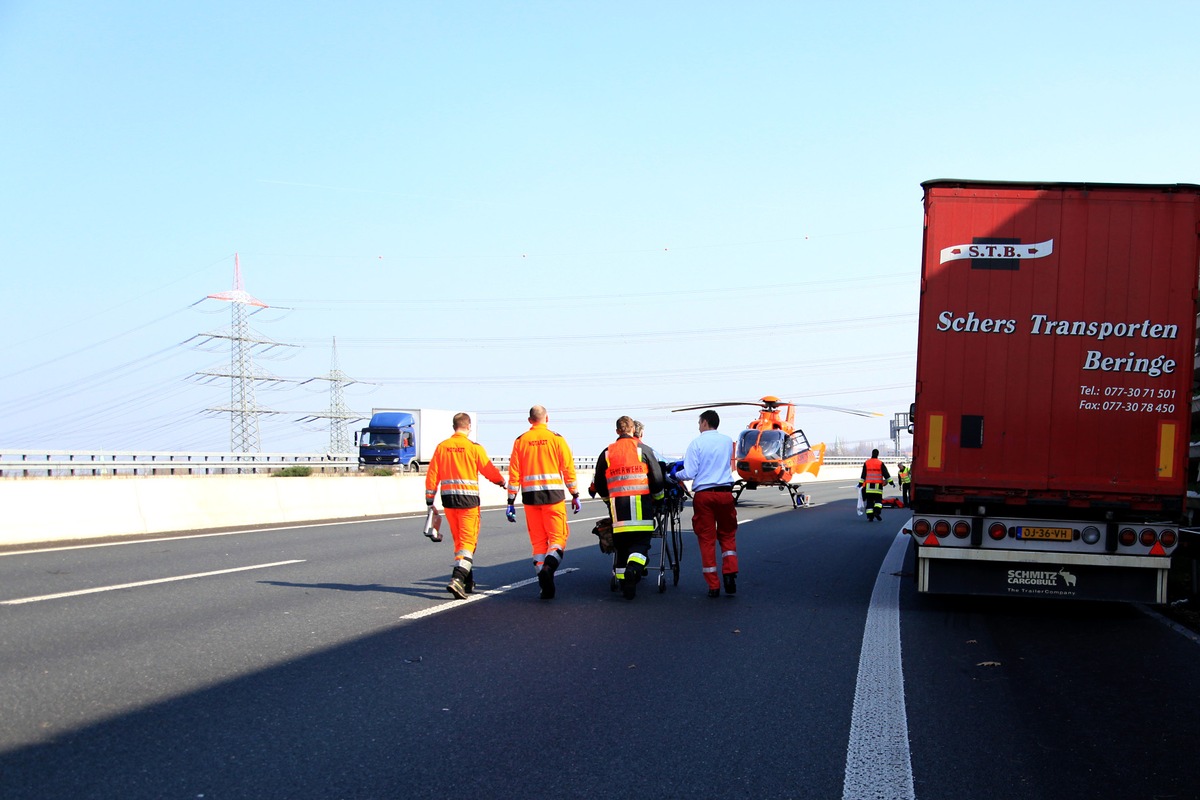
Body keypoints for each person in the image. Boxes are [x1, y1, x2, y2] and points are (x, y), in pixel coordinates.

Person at [425, 413, 507, 599]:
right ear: (468, 426)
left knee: (460, 543)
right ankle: (457, 579)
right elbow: (488, 469)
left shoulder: (442, 447)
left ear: (454, 426)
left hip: (449, 501)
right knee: (468, 542)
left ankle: (468, 582)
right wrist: (501, 482)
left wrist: (430, 501)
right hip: (468, 502)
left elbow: (432, 475)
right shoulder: (473, 447)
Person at [506, 405, 581, 599]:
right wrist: (575, 493)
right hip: (553, 497)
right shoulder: (556, 439)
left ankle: (544, 583)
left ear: (530, 420)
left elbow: (514, 473)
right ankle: (549, 568)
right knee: (558, 538)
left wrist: (510, 501)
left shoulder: (521, 441)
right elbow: (568, 469)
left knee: (538, 542)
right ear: (547, 418)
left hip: (530, 498)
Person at [594, 416, 665, 599]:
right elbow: (657, 480)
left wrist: (607, 500)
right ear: (633, 429)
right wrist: (658, 498)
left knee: (622, 547)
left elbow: (600, 483)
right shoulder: (643, 450)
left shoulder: (607, 453)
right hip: (641, 509)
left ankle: (622, 580)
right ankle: (633, 570)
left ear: (617, 431)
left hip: (618, 511)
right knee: (640, 545)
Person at [672, 409, 739, 598]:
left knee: (707, 539)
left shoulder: (696, 443)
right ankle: (730, 574)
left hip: (704, 496)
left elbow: (690, 472)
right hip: (725, 494)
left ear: (704, 423)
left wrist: (675, 475)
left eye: (699, 422)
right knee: (727, 535)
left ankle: (713, 585)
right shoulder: (727, 441)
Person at [859, 449, 894, 522]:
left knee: (869, 502)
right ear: (878, 454)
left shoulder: (867, 463)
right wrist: (891, 482)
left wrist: (860, 484)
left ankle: (870, 517)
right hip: (878, 486)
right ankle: (877, 512)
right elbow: (886, 474)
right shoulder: (880, 463)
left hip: (869, 486)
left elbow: (863, 474)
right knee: (878, 501)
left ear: (872, 453)